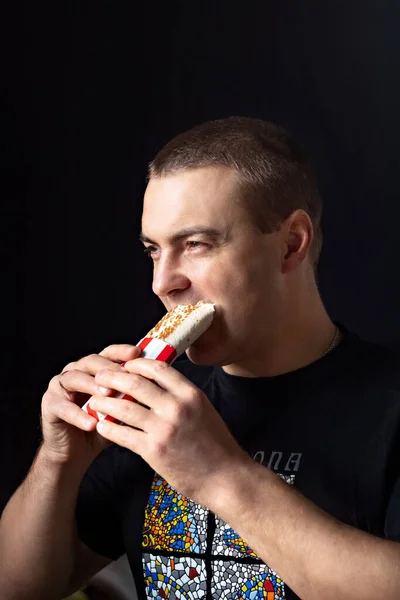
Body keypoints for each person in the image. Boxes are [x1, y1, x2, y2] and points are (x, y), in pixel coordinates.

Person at [1, 116, 399, 600]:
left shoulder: (388, 406)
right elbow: (19, 587)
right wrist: (57, 461)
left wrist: (220, 475)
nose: (162, 282)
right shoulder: (152, 403)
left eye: (195, 245)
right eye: (153, 251)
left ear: (292, 243)